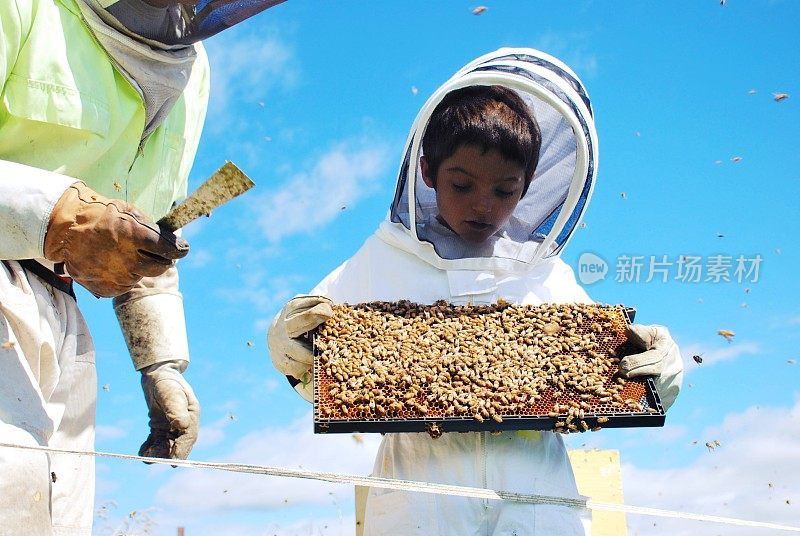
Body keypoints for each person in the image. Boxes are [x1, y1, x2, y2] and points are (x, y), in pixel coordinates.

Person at [268, 48, 684, 535]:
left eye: (504, 191)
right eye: (462, 185)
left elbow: (614, 378)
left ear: (528, 187)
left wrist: (661, 371)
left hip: (538, 500)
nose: (483, 206)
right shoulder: (382, 259)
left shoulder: (545, 275)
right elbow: (319, 375)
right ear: (427, 173)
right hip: (420, 499)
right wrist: (290, 346)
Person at [0, 0, 284, 533]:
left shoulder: (193, 69)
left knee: (53, 518)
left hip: (62, 316)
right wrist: (54, 215)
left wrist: (162, 365)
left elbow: (145, 230)